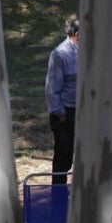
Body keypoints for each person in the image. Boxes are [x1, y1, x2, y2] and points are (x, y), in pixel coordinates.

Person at [44, 14, 80, 184]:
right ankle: (57, 197)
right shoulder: (60, 54)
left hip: (85, 112)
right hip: (67, 112)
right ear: (78, 33)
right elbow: (52, 88)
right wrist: (61, 114)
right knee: (63, 158)